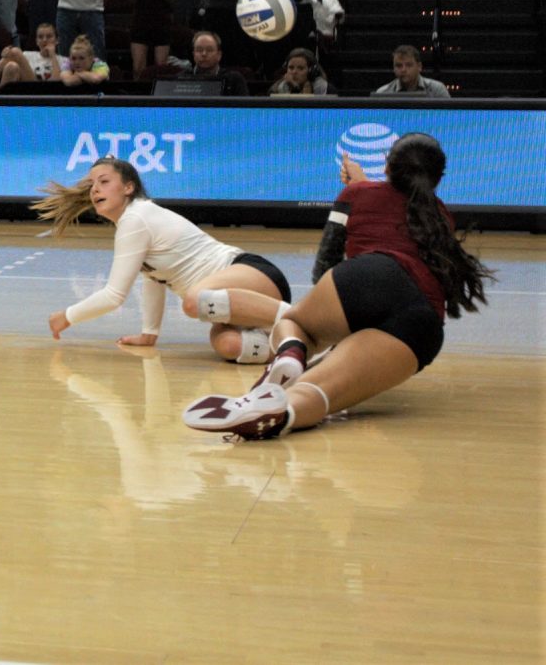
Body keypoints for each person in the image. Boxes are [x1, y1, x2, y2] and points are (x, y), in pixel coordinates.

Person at [185, 134, 493, 439]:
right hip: (422, 327)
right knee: (315, 392)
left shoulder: (357, 193)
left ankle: (292, 353)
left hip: (371, 275)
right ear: (438, 178)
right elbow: (399, 205)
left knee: (294, 322)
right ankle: (281, 415)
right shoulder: (441, 216)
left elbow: (326, 263)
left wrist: (329, 316)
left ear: (387, 165)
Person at [35, 155, 291, 361]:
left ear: (128, 187)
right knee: (229, 345)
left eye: (103, 181)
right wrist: (150, 334)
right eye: (92, 184)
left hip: (253, 275)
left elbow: (114, 296)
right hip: (235, 303)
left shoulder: (136, 217)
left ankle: (303, 318)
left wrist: (67, 316)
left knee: (193, 302)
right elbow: (155, 279)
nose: (95, 190)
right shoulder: (134, 220)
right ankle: (300, 349)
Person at [373, 44, 449, 98]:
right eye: (399, 65)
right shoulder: (383, 93)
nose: (403, 70)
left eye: (409, 65)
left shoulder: (437, 90)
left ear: (419, 66)